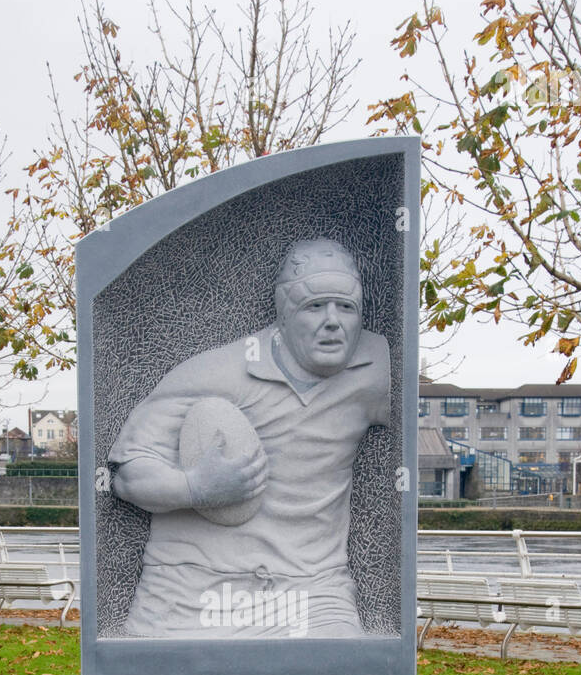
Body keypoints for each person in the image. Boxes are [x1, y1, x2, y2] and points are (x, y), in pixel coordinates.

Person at [109, 238, 391, 637]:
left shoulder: (374, 367)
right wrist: (194, 487)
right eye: (314, 306)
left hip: (311, 592)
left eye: (346, 307)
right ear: (284, 312)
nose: (333, 321)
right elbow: (127, 475)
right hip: (194, 593)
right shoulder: (216, 372)